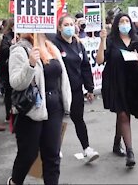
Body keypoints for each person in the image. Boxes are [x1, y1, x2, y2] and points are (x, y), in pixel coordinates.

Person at [8, 32, 72, 185]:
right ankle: (15, 181)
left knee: (52, 154)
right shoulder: (20, 50)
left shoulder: (52, 48)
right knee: (28, 154)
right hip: (32, 110)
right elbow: (16, 83)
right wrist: (30, 64)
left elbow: (62, 78)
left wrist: (67, 101)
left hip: (55, 107)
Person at [96, 13, 138, 168]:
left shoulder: (137, 41)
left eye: (127, 21)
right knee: (123, 114)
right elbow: (100, 60)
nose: (124, 23)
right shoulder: (111, 41)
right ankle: (130, 151)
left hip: (132, 84)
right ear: (116, 24)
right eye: (121, 21)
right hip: (115, 82)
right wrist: (102, 41)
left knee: (123, 114)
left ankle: (117, 143)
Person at [52, 15, 99, 163]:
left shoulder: (79, 45)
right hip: (59, 90)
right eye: (66, 24)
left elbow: (85, 66)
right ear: (59, 27)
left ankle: (87, 149)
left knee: (78, 119)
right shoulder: (53, 44)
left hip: (76, 89)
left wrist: (89, 88)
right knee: (57, 121)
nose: (69, 27)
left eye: (71, 24)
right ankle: (55, 148)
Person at [0, 18, 15, 122]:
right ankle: (9, 114)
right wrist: (12, 45)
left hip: (19, 68)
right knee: (9, 92)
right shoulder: (6, 37)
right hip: (8, 69)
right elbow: (4, 51)